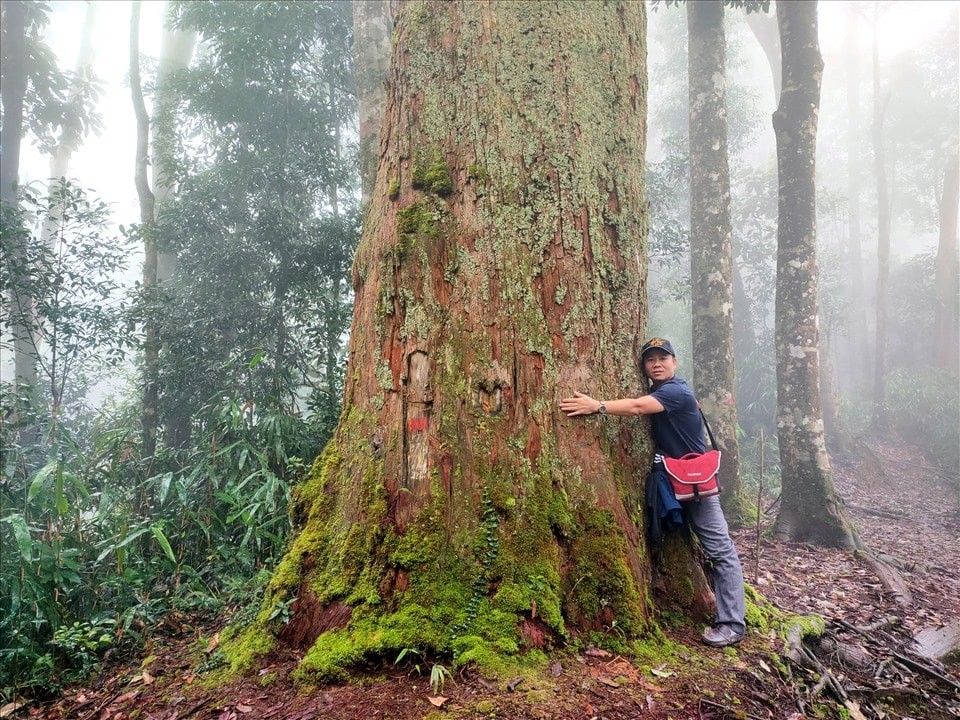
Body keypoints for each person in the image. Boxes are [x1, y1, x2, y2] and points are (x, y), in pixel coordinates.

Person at [559, 337, 746, 648]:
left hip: (694, 485)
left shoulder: (676, 391)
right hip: (670, 481)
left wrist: (597, 406)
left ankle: (732, 624)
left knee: (721, 551)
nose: (657, 363)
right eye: (650, 360)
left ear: (675, 362)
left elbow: (635, 407)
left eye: (663, 357)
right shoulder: (660, 390)